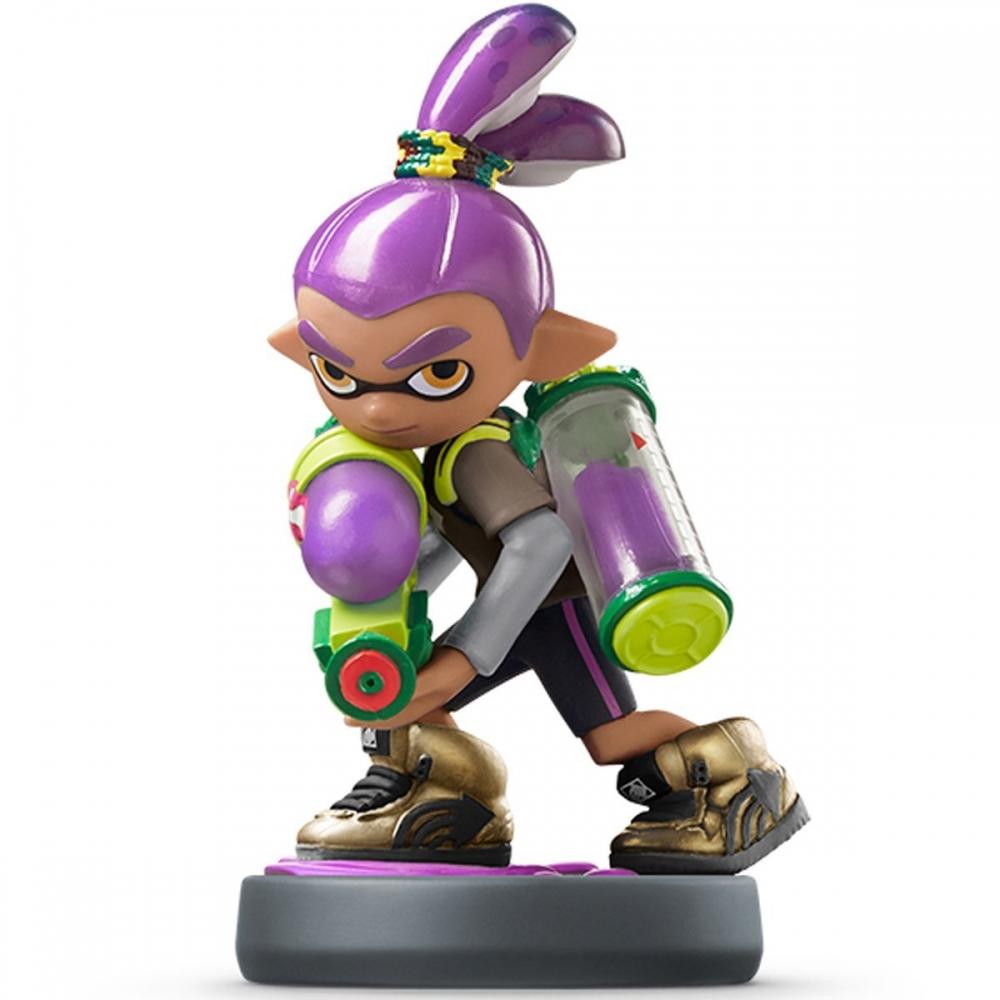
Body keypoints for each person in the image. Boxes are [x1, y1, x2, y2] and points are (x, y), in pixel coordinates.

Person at [268, 4, 807, 874]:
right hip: (516, 604)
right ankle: (448, 799)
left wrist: (458, 656)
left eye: (434, 373)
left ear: (539, 351)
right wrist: (398, 597)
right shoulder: (429, 454)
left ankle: (739, 775)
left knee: (609, 737)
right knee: (403, 702)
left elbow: (542, 541)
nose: (379, 410)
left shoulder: (475, 450)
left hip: (557, 612)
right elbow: (449, 539)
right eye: (338, 370)